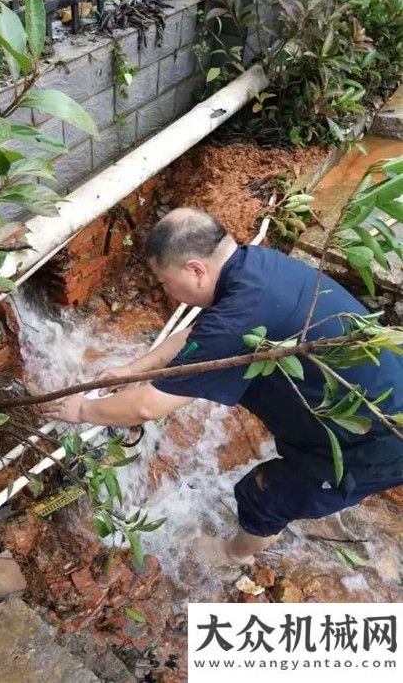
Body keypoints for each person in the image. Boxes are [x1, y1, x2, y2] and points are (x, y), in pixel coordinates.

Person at [41, 208, 403, 566]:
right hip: (380, 390)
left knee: (264, 497)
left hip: (374, 439)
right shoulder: (256, 265)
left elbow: (146, 407)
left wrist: (82, 411)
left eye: (165, 281)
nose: (166, 291)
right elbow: (197, 335)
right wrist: (133, 369)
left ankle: (233, 557)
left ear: (195, 269)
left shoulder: (238, 317)